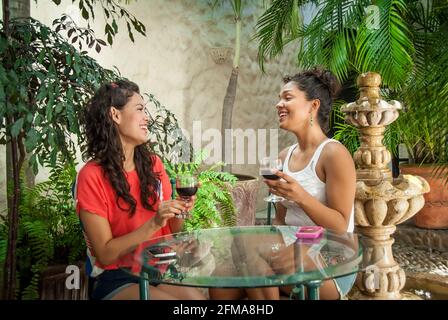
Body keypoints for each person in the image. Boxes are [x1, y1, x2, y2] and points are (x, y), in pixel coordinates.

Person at [209, 68, 356, 300]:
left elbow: (340, 226)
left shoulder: (334, 154)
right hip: (295, 246)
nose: (279, 104)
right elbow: (280, 221)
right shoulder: (283, 156)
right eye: (279, 98)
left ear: (313, 106)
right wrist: (270, 249)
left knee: (247, 245)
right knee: (222, 278)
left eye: (287, 98)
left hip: (331, 258)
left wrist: (301, 196)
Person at [75, 79, 206, 300]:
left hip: (156, 271)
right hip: (116, 277)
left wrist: (181, 210)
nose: (148, 118)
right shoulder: (91, 176)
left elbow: (173, 230)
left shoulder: (154, 165)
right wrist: (154, 222)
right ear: (115, 115)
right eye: (140, 109)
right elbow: (105, 255)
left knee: (197, 302)